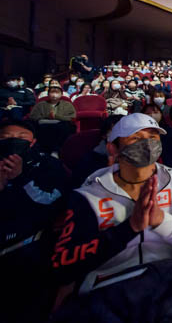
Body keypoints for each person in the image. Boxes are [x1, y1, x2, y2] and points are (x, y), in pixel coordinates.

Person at [51, 113, 172, 322]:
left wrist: (161, 220)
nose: (147, 144)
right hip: (111, 283)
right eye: (136, 139)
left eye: (153, 138)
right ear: (113, 149)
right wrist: (129, 228)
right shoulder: (88, 195)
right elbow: (64, 263)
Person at [0, 120, 69, 323]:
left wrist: (21, 179)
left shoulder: (48, 164)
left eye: (21, 138)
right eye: (5, 138)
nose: (13, 141)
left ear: (32, 142)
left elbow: (52, 203)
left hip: (30, 244)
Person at [71, 115, 123, 188]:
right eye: (116, 131)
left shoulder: (137, 158)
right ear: (104, 135)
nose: (123, 135)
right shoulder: (90, 160)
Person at [29, 85, 76, 154]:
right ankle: (43, 151)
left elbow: (71, 117)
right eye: (52, 92)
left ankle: (56, 151)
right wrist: (47, 116)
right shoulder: (40, 104)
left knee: (64, 127)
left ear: (61, 94)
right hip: (43, 124)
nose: (54, 94)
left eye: (57, 92)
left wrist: (56, 116)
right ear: (48, 94)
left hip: (61, 124)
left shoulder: (67, 104)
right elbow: (33, 116)